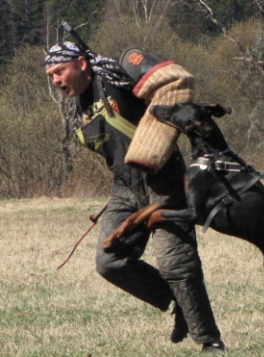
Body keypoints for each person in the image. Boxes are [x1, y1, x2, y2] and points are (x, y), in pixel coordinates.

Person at [45, 41, 226, 352]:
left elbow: (170, 89)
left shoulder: (115, 78)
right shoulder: (78, 108)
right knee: (110, 262)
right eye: (50, 76)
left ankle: (209, 342)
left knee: (177, 265)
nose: (56, 80)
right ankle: (177, 303)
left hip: (164, 182)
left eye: (59, 71)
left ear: (81, 64)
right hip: (124, 188)